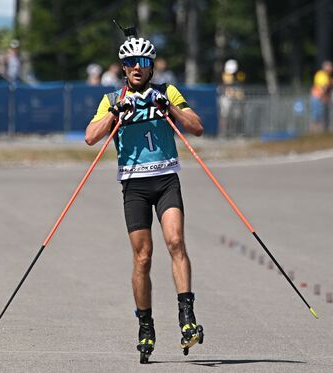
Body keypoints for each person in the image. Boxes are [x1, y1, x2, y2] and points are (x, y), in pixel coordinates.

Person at [85, 36, 205, 362]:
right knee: (143, 258)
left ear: (152, 65)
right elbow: (90, 137)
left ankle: (186, 317)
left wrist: (171, 111)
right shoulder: (112, 97)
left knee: (176, 241)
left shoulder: (167, 92)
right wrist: (114, 113)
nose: (137, 67)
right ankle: (146, 326)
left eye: (143, 62)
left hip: (166, 179)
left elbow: (197, 127)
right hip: (134, 185)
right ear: (123, 67)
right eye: (130, 63)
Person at [309, 60, 333, 133]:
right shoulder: (321, 74)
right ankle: (314, 132)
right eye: (330, 67)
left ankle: (319, 132)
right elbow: (322, 88)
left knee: (320, 116)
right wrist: (324, 97)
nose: (331, 69)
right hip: (318, 97)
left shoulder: (326, 76)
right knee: (316, 116)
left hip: (320, 98)